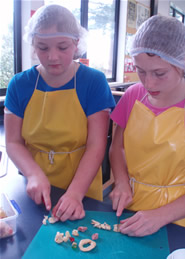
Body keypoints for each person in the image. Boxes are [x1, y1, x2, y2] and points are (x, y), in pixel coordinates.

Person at [4, 4, 115, 222]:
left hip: (81, 185)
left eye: (62, 47)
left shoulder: (93, 82)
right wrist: (34, 174)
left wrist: (75, 193)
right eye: (43, 48)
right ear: (33, 45)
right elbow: (13, 142)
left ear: (76, 44)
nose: (52, 57)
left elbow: (96, 144)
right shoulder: (19, 85)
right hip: (33, 185)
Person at [109, 15, 185, 236]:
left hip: (178, 219)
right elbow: (117, 147)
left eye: (159, 73)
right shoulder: (133, 95)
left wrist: (161, 215)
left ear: (181, 65)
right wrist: (121, 182)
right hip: (132, 208)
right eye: (140, 70)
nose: (148, 83)